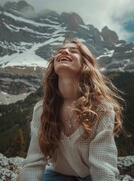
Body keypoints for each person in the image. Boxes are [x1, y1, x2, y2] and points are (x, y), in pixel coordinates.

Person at [17, 38, 124, 181]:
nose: (64, 51)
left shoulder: (102, 109)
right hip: (55, 175)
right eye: (60, 51)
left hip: (92, 176)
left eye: (73, 51)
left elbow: (103, 166)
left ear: (85, 64)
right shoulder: (41, 109)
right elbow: (34, 162)